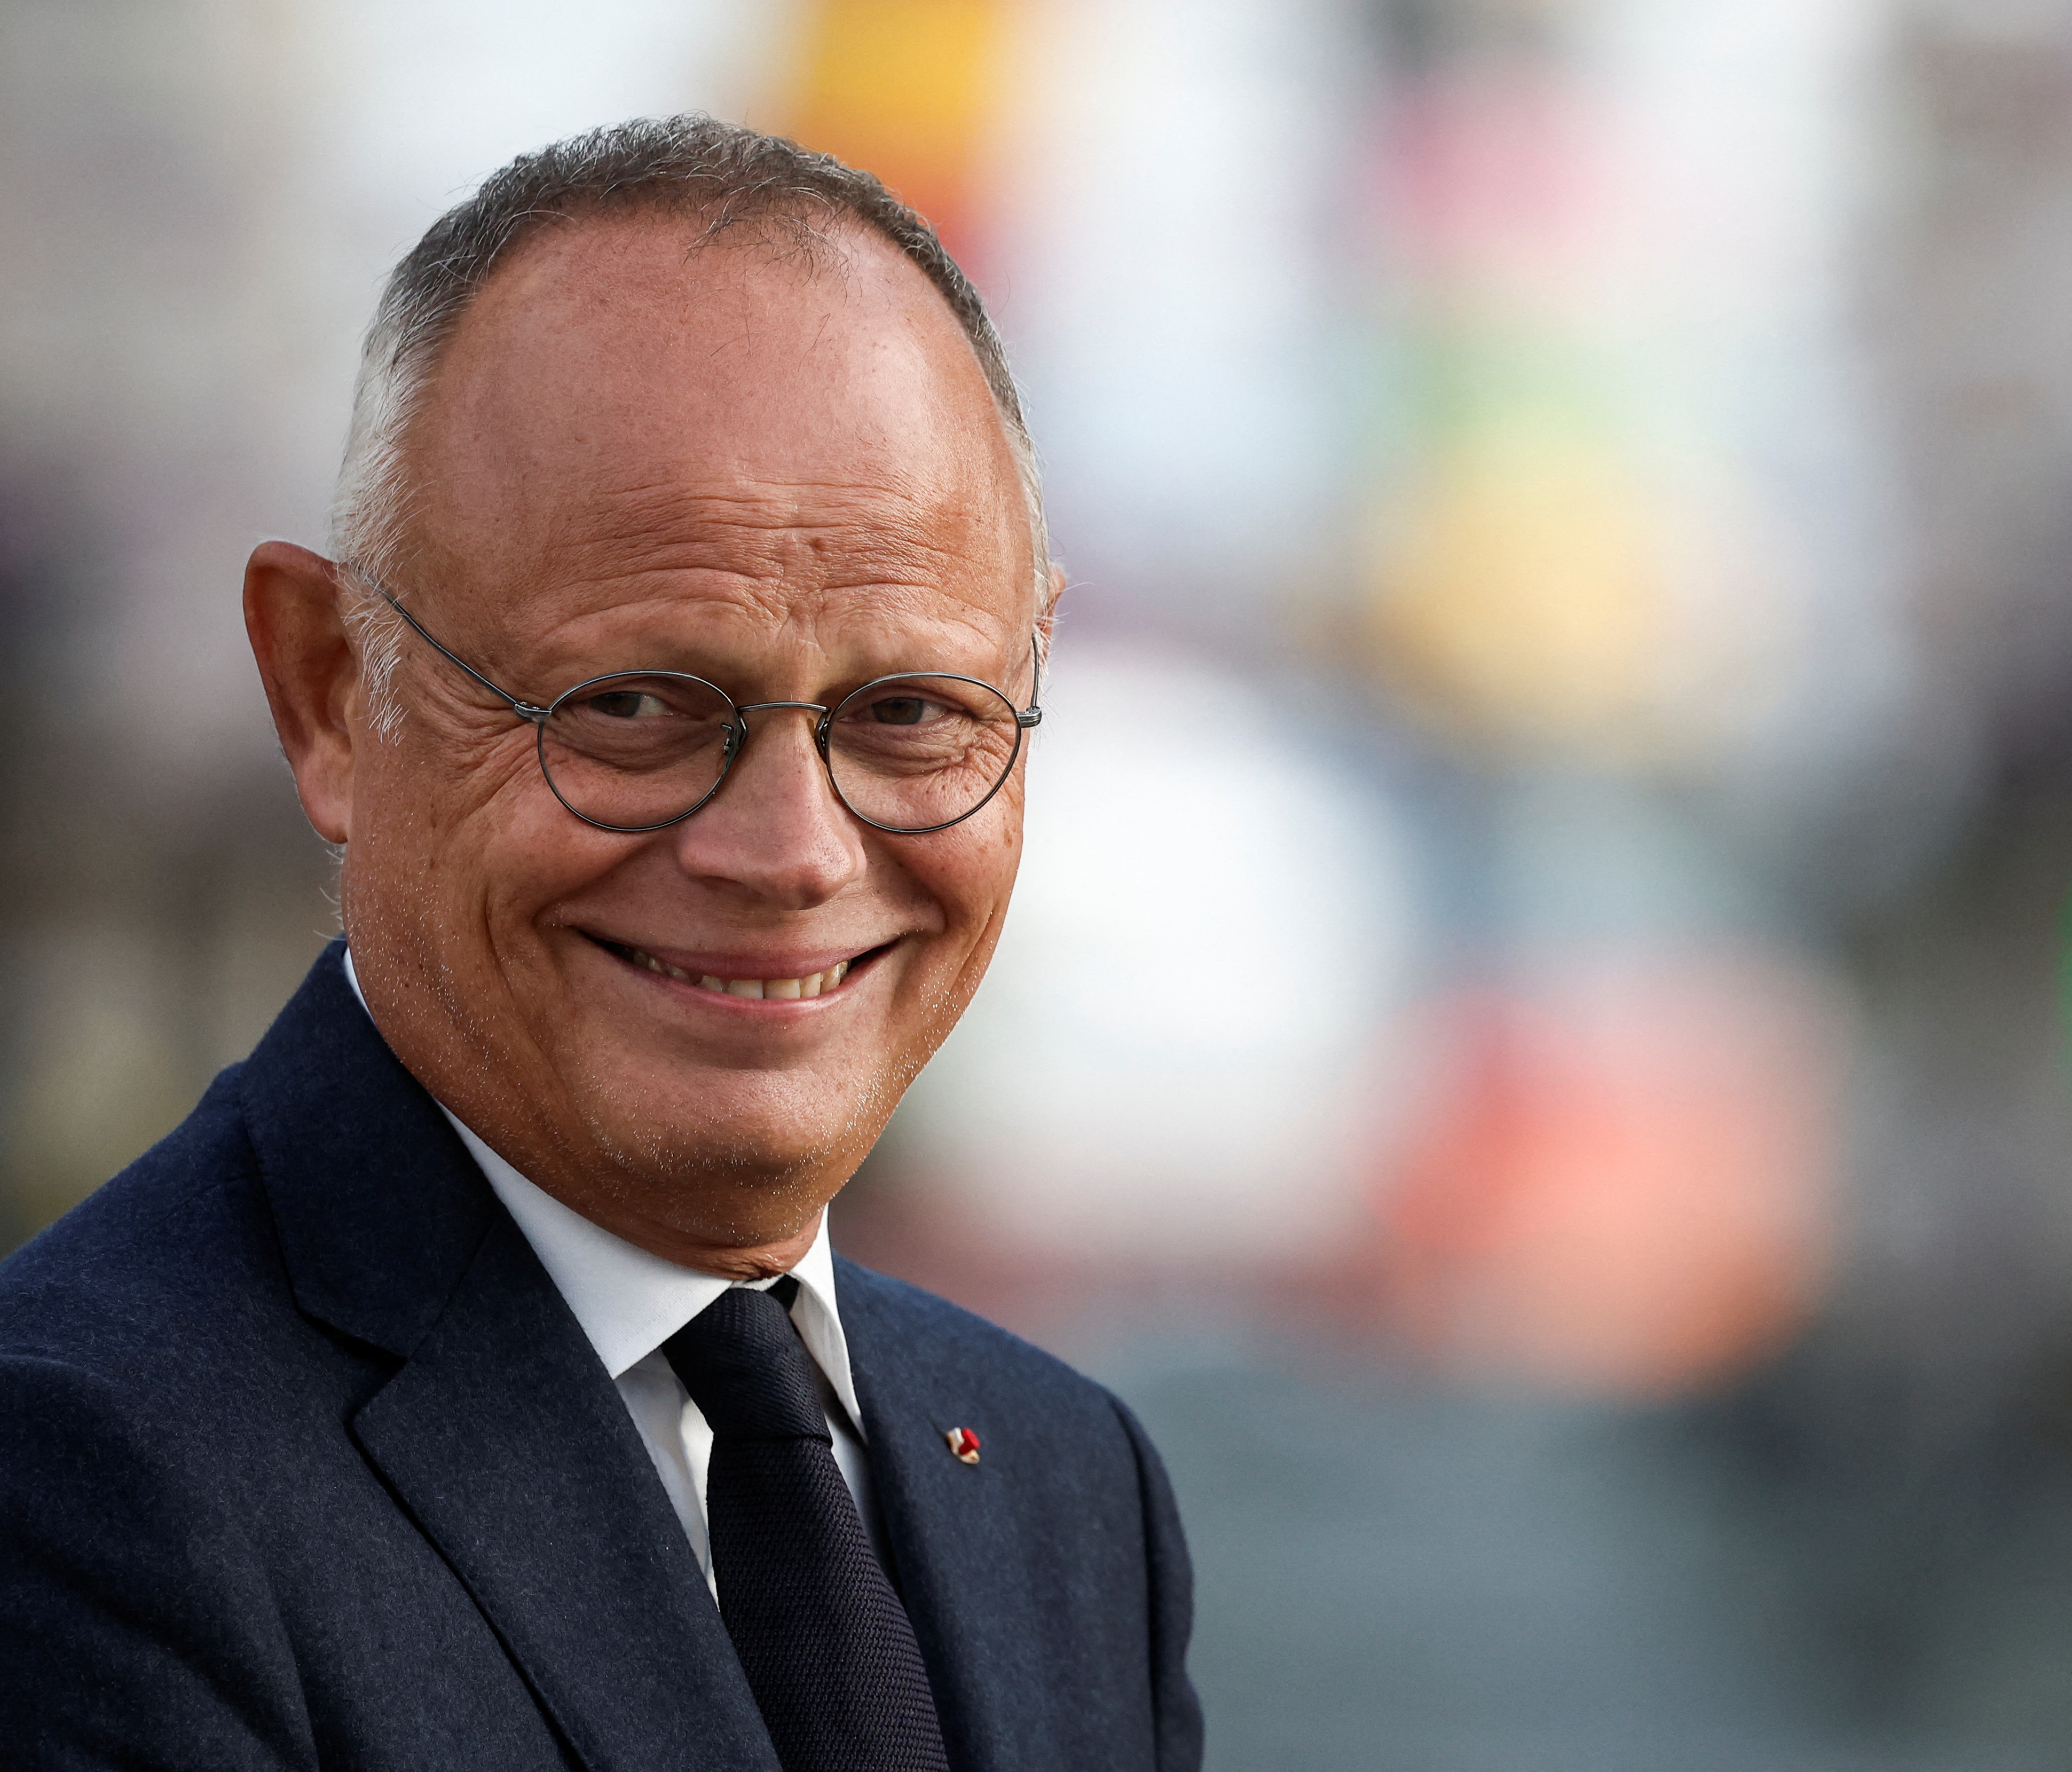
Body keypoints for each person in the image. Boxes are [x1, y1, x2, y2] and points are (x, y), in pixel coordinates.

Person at [0, 116, 1201, 1771]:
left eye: (911, 712)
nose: (792, 852)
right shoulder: (79, 1479)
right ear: (333, 694)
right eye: (635, 706)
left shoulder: (1071, 1495)